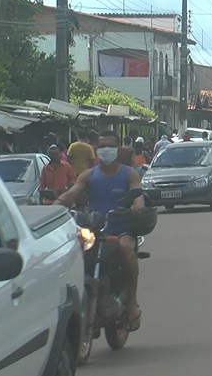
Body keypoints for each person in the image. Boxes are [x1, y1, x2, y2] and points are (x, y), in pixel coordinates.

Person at [54, 130, 146, 331]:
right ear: (97, 149)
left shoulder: (128, 173)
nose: (106, 150)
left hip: (120, 231)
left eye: (110, 146)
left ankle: (131, 302)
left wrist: (137, 204)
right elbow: (71, 194)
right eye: (102, 146)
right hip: (95, 231)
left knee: (126, 249)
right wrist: (54, 208)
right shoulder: (89, 175)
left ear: (118, 148)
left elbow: (137, 193)